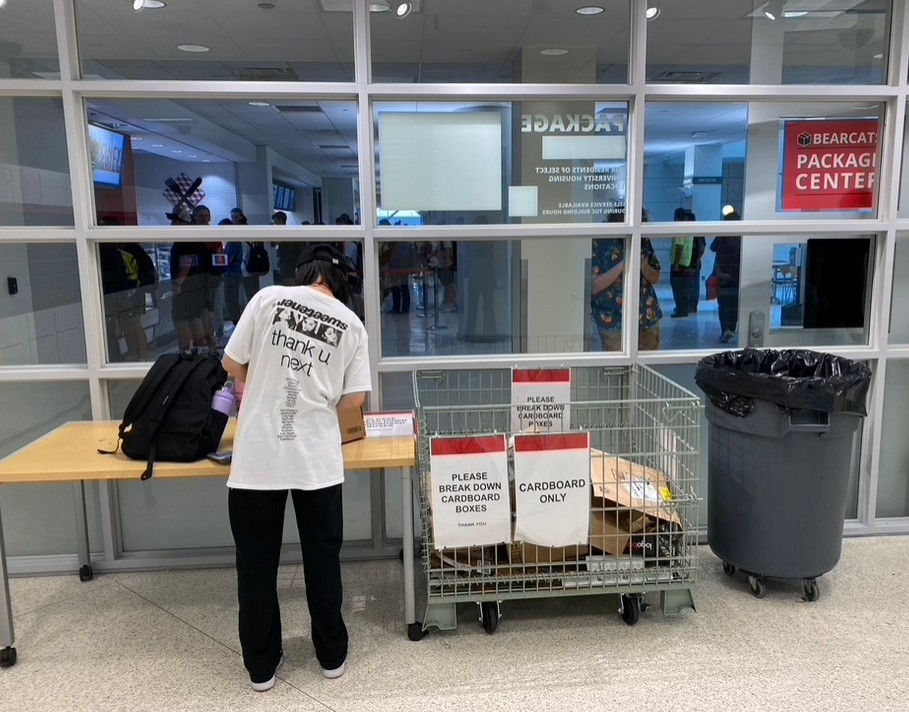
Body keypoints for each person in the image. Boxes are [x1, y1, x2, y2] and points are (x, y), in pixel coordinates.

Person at [221, 243, 371, 691]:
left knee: (256, 564)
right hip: (316, 461)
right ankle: (331, 657)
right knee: (322, 559)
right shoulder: (352, 324)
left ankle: (261, 668)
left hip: (257, 458)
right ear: (340, 285)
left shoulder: (266, 299)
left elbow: (230, 363)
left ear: (303, 274)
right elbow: (355, 399)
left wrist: (270, 376)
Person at [590, 209, 662, 351]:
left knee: (647, 369)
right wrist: (622, 266)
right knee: (617, 369)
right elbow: (594, 286)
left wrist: (644, 266)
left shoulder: (643, 240)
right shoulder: (599, 242)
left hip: (646, 316)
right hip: (612, 319)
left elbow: (656, 277)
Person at [711, 209, 742, 343]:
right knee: (734, 304)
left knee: (723, 304)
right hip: (736, 275)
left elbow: (713, 247)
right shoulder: (741, 237)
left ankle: (725, 330)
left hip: (722, 275)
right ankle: (732, 328)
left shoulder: (722, 236)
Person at [669, 207, 694, 318]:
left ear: (675, 217)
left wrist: (675, 264)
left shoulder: (678, 228)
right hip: (686, 262)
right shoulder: (689, 228)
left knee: (678, 288)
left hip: (679, 264)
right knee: (684, 288)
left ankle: (681, 310)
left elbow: (679, 247)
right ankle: (684, 308)